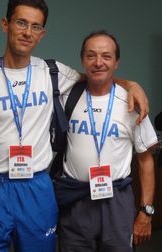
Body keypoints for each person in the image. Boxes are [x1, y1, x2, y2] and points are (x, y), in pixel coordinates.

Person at [0, 0, 148, 252]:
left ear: (42, 34)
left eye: (36, 26)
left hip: (37, 187)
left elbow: (97, 76)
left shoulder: (52, 72)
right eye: (21, 23)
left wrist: (132, 85)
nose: (27, 32)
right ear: (5, 24)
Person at [55, 31, 157, 252]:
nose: (98, 62)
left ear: (116, 62)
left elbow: (146, 161)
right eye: (91, 56)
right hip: (76, 199)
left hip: (116, 202)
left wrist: (145, 212)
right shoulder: (66, 97)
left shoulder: (131, 103)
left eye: (106, 56)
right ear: (82, 60)